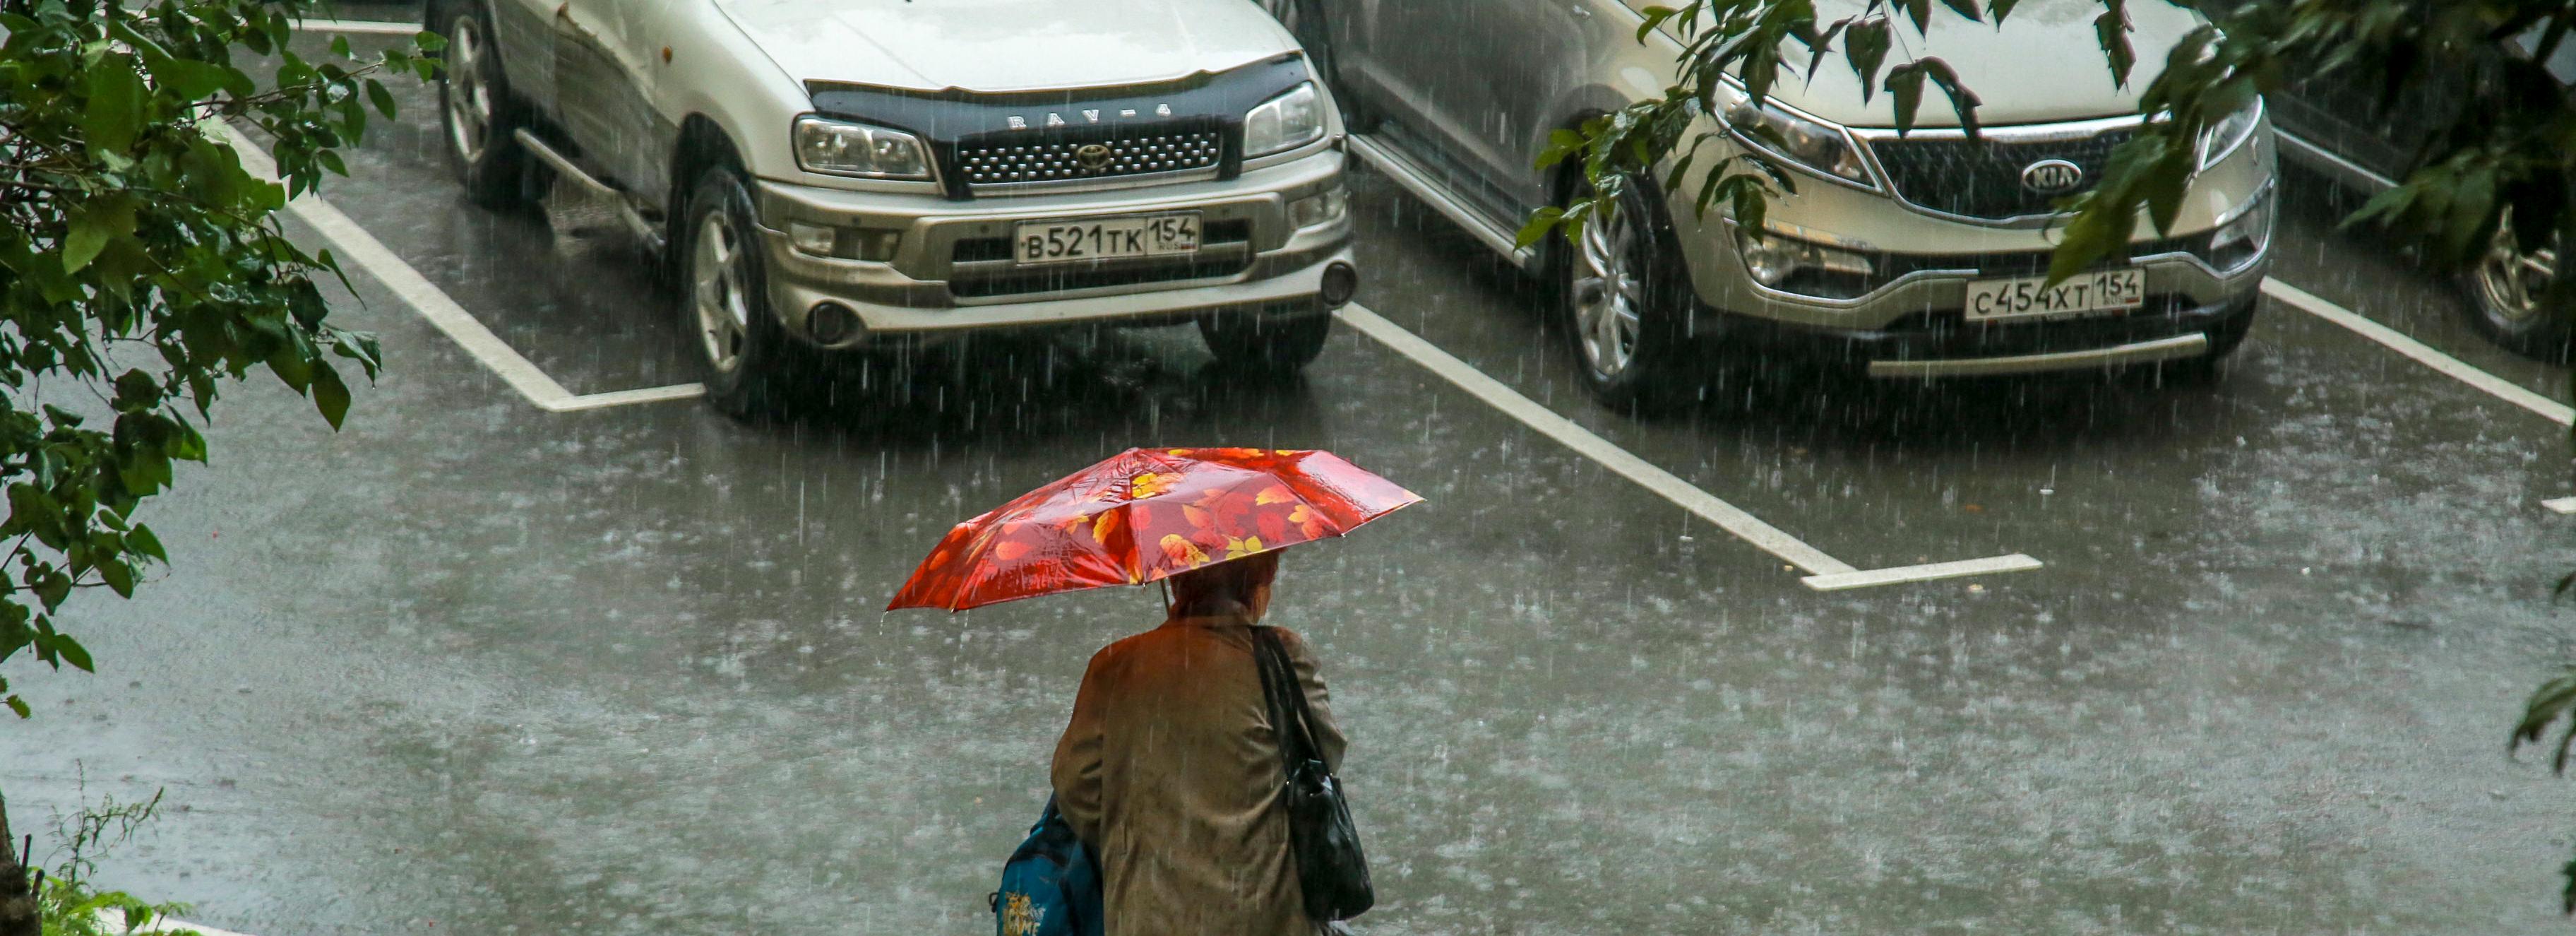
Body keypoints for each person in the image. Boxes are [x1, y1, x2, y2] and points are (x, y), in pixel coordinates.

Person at [1050, 550, 1349, 936]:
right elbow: (1326, 756)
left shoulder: (1115, 666)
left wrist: (1154, 833)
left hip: (1151, 914)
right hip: (1267, 913)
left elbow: (1078, 788)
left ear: (1174, 579)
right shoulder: (1280, 656)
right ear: (1263, 576)